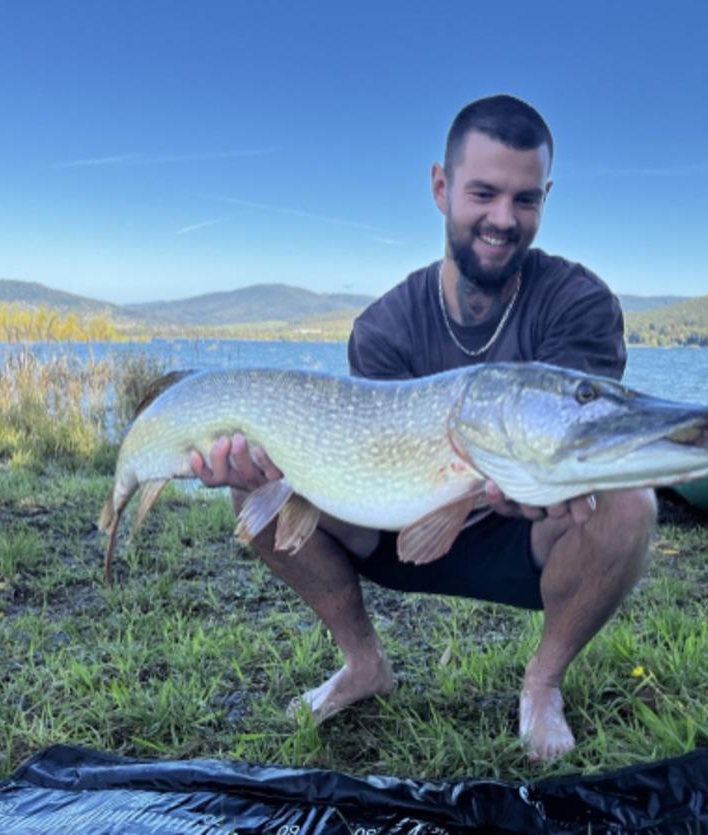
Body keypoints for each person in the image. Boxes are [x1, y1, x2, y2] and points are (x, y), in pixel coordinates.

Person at [191, 94, 656, 761]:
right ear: (441, 187)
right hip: (398, 523)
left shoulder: (579, 302)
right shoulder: (384, 326)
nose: (503, 219)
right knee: (256, 498)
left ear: (546, 197)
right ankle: (362, 663)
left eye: (525, 199)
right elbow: (359, 466)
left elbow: (579, 438)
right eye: (484, 193)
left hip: (530, 530)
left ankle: (542, 682)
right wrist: (266, 472)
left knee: (629, 499)